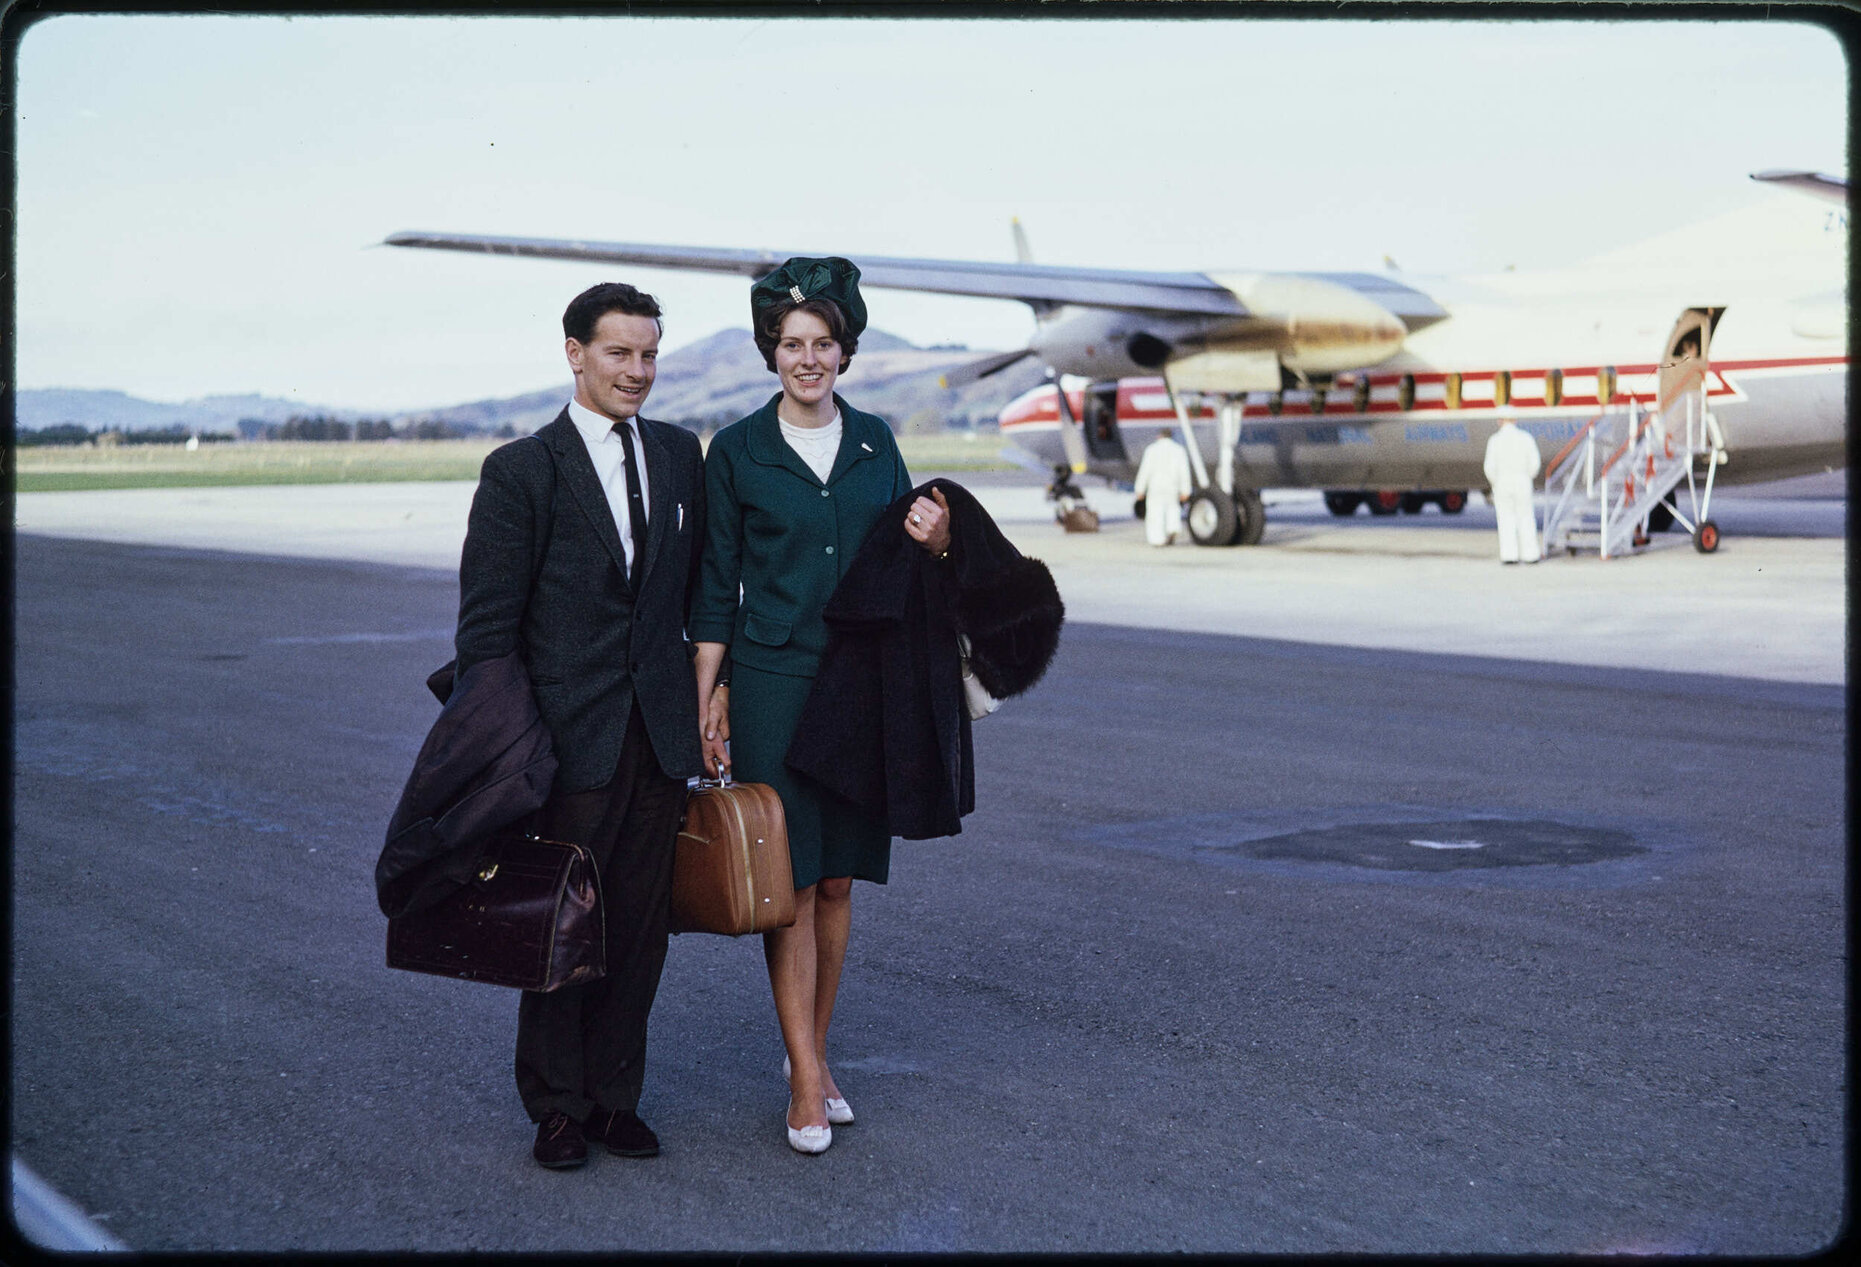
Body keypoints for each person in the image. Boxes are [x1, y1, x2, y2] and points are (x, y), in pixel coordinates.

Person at [689, 257, 950, 1155]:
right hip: (774, 687)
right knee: (791, 884)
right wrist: (707, 696)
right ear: (770, 353)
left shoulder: (878, 441)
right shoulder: (735, 451)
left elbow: (907, 561)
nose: (808, 359)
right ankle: (803, 1072)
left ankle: (817, 1050)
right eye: (792, 344)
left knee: (838, 880)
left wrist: (940, 537)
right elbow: (713, 585)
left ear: (845, 351)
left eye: (824, 344)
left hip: (865, 688)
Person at [453, 281, 709, 1169]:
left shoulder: (680, 455)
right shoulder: (522, 469)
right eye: (618, 353)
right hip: (566, 744)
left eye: (647, 354)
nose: (637, 371)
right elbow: (486, 633)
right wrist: (505, 751)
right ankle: (556, 1107)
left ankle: (613, 1099)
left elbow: (695, 591)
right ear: (574, 353)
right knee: (560, 927)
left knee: (639, 927)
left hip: (658, 737)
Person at [1482, 414, 1543, 564]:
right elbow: (1535, 463)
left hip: (1503, 482)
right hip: (1522, 481)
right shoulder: (1526, 438)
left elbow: (1489, 467)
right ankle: (1530, 555)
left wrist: (1495, 482)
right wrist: (1528, 477)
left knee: (1505, 519)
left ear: (1499, 421)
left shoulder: (1494, 440)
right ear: (1515, 420)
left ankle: (1509, 555)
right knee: (1526, 517)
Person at [1132, 426, 1194, 545]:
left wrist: (1139, 489)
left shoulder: (1151, 450)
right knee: (1173, 509)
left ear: (1159, 436)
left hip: (1155, 487)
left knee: (1155, 513)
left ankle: (1157, 539)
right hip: (1172, 487)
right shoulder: (1179, 450)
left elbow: (1145, 471)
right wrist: (1186, 490)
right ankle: (1173, 528)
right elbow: (1184, 471)